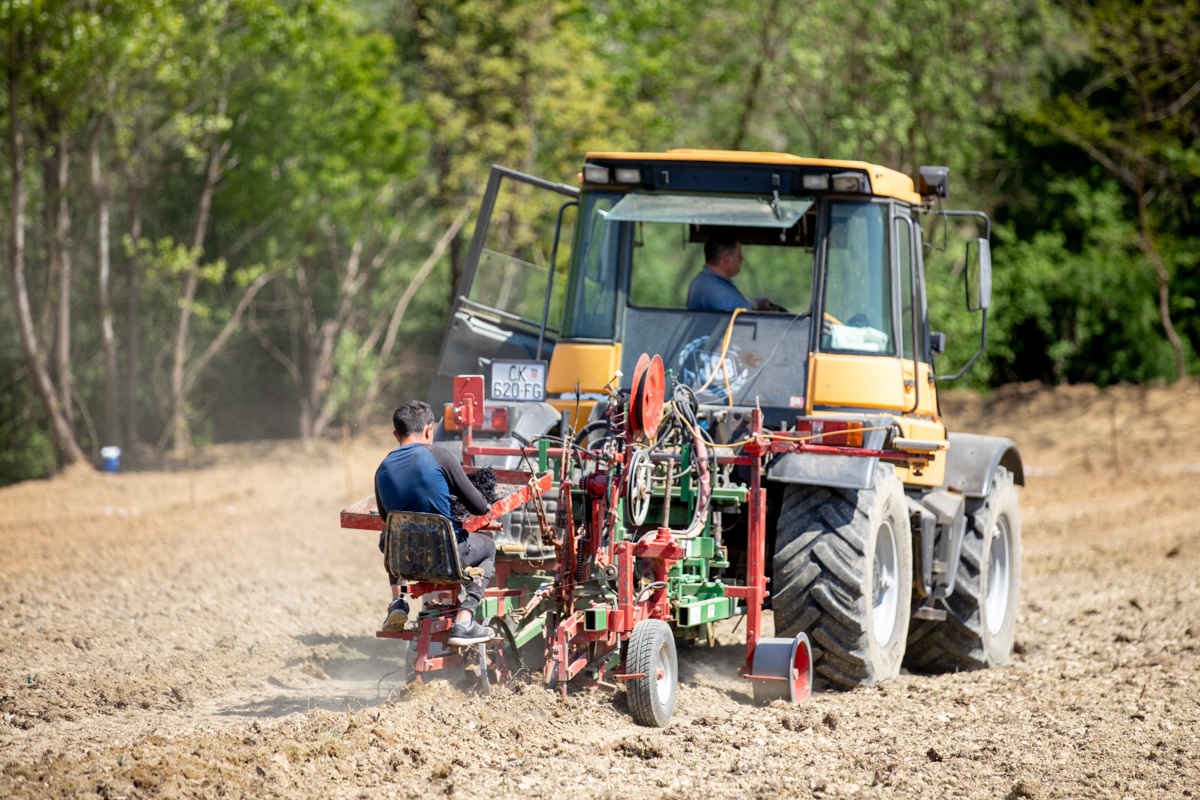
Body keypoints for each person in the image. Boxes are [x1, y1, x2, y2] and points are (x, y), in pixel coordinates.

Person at [374, 400, 496, 646]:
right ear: (429, 430)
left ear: (396, 435)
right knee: (489, 546)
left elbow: (386, 517)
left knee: (388, 535)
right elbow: (479, 507)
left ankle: (398, 602)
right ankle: (464, 620)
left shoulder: (382, 467)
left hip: (405, 561)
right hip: (448, 558)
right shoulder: (439, 455)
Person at [686, 230, 782, 312]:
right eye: (739, 254)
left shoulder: (700, 281)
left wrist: (754, 304)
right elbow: (746, 325)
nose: (741, 258)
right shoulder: (722, 296)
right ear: (727, 260)